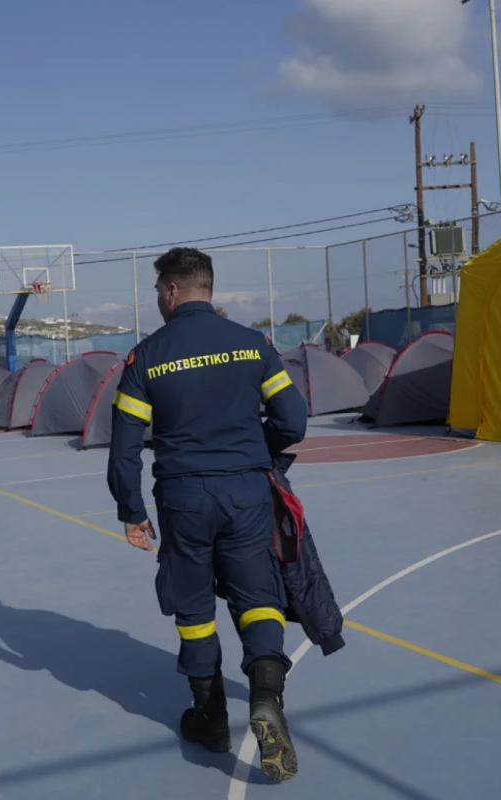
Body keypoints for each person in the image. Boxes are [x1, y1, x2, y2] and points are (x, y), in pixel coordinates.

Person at [107, 247, 308, 782]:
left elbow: (124, 448)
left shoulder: (146, 357)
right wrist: (260, 452)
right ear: (208, 287)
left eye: (157, 291)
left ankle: (210, 719)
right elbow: (293, 418)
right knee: (258, 597)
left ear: (172, 290)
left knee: (194, 609)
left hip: (183, 498)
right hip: (245, 491)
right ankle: (266, 698)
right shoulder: (252, 345)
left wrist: (131, 510)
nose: (157, 299)